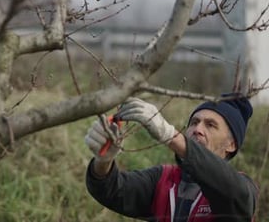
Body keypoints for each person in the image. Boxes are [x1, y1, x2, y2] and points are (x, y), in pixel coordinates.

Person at [84, 94, 258, 222]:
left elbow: (234, 192)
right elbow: (112, 190)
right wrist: (103, 161)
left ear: (231, 145)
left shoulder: (241, 188)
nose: (197, 129)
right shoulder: (163, 179)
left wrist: (170, 135)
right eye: (194, 122)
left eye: (210, 125)